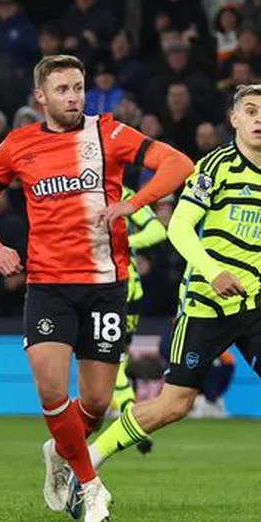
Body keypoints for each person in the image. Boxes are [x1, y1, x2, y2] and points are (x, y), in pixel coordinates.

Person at [87, 84, 261, 522]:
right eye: (250, 111)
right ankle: (86, 460)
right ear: (234, 119)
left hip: (256, 307)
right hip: (203, 307)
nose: (259, 119)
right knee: (173, 406)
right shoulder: (213, 170)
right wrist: (213, 272)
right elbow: (179, 228)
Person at [0, 54, 192, 522]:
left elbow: (178, 164)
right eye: (63, 89)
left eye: (78, 88)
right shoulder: (18, 145)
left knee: (94, 403)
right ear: (41, 96)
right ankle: (90, 486)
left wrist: (133, 203)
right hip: (49, 285)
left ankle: (59, 451)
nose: (73, 97)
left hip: (106, 287)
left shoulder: (108, 134)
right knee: (52, 390)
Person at [108, 186, 167, 449]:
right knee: (113, 360)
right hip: (119, 290)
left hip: (117, 290)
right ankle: (131, 418)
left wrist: (126, 242)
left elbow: (157, 230)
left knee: (111, 360)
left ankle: (131, 417)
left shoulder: (123, 193)